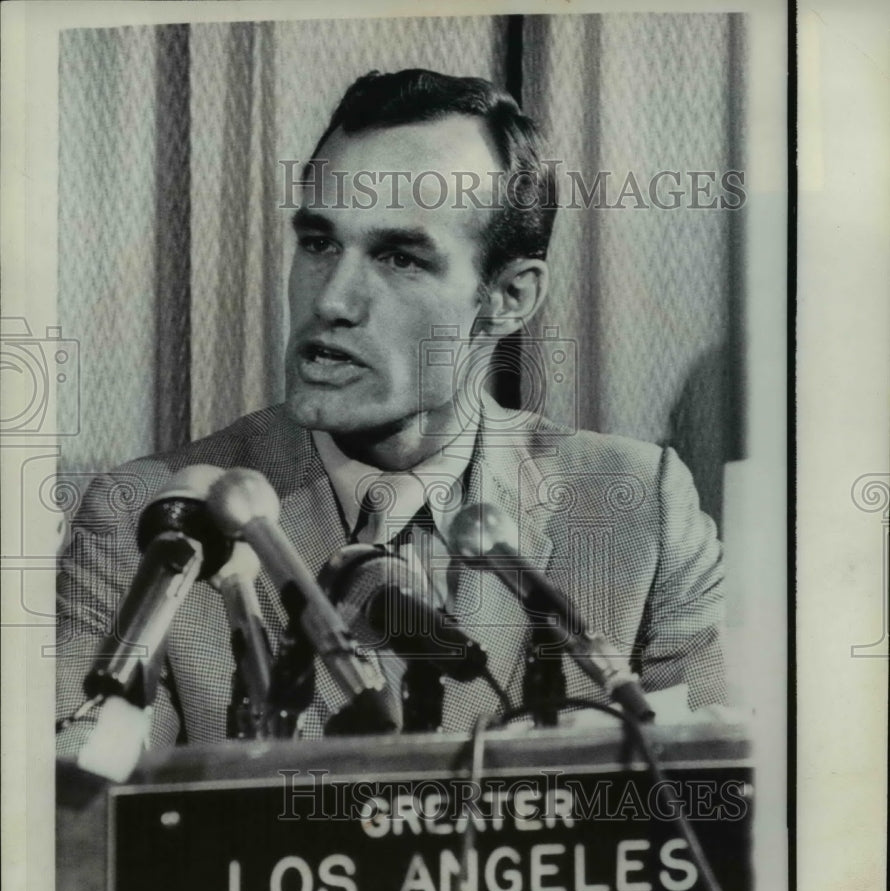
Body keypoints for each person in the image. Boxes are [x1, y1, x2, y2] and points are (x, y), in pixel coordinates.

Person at [55, 69, 726, 755]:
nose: (333, 300)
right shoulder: (150, 520)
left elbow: (715, 805)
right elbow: (74, 816)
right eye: (319, 243)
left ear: (510, 299)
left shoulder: (639, 512)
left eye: (400, 258)